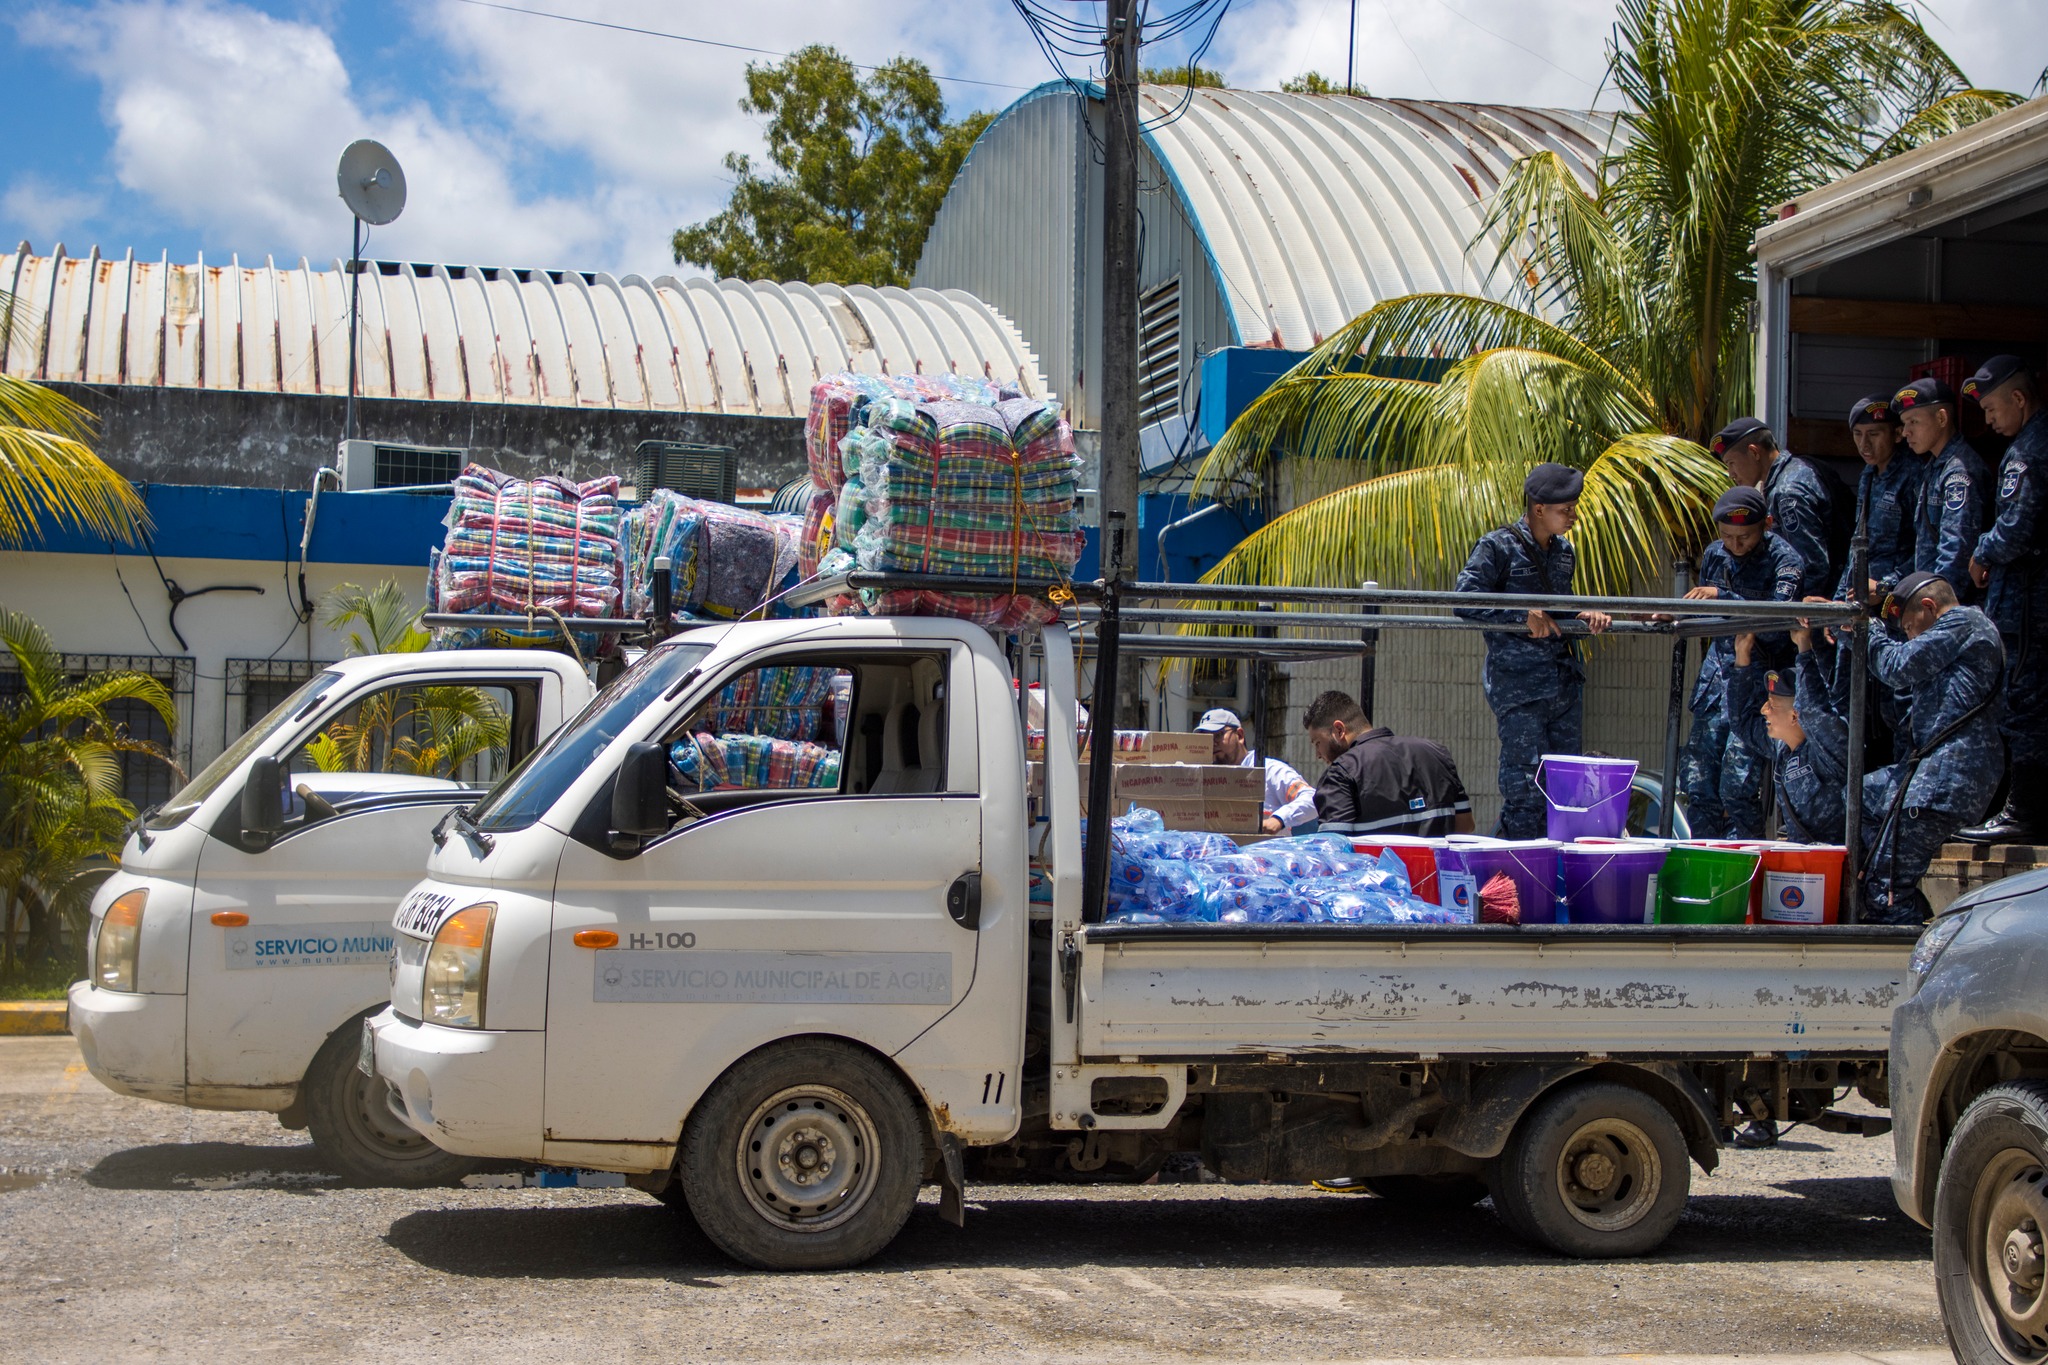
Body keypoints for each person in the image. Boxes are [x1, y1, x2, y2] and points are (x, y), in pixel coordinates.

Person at [1453, 462, 1613, 839]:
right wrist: (1520, 615)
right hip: (1520, 687)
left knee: (1566, 790)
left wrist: (1582, 614)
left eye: (1573, 508)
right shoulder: (1497, 546)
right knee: (1526, 791)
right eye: (1565, 510)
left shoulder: (1564, 552)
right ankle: (1519, 865)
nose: (1573, 517)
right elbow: (1463, 599)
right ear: (1539, 509)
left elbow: (1558, 607)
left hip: (1562, 686)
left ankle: (1557, 866)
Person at [1860, 571, 2005, 924]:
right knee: (1855, 797)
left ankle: (1921, 948)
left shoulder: (1963, 622)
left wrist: (1866, 628)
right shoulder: (1952, 634)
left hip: (1946, 779)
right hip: (1929, 775)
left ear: (1929, 606)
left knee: (1886, 891)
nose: (1910, 637)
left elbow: (1896, 667)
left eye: (1911, 628)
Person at [1680, 486, 1805, 839]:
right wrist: (1679, 614)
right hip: (1716, 682)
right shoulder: (1715, 554)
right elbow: (1705, 613)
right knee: (1698, 782)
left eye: (1744, 537)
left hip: (1756, 685)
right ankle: (1702, 856)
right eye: (1727, 536)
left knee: (1738, 787)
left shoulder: (1785, 561)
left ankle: (1746, 862)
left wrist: (1724, 596)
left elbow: (1777, 622)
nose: (1734, 545)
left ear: (1767, 524)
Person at [1958, 356, 2048, 844]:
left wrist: (1982, 551)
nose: (1989, 420)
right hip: (2029, 599)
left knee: (2026, 704)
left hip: (2029, 602)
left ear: (2018, 398)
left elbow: (2016, 529)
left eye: (1992, 408)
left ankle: (2024, 812)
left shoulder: (2028, 451)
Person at [1725, 624, 1849, 844]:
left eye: (1772, 705)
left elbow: (1811, 709)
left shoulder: (1829, 746)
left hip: (1834, 859)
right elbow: (1742, 723)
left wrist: (1804, 647)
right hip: (1801, 859)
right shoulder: (1783, 747)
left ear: (1795, 715)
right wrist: (1742, 658)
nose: (1764, 710)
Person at [1301, 690, 1474, 837]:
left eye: (1317, 743)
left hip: (1380, 868)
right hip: (1438, 867)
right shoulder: (1436, 753)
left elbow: (1334, 850)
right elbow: (1465, 826)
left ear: (1339, 730)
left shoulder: (1340, 773)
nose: (1318, 754)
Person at [1713, 416, 1839, 598]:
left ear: (1754, 452)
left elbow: (1811, 567)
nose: (1731, 474)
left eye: (1731, 463)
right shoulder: (1790, 473)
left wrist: (1794, 612)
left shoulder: (1788, 492)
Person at [1896, 376, 1991, 602]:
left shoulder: (1959, 472)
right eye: (1904, 423)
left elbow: (1956, 552)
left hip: (1950, 603)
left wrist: (1937, 606)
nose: (1906, 431)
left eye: (1913, 421)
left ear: (1941, 418)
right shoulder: (1935, 467)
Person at [1840, 394, 1925, 600]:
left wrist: (1885, 586)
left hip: (1900, 598)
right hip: (1864, 595)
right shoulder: (1869, 474)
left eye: (1873, 434)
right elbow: (1857, 546)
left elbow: (1925, 548)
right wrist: (1839, 600)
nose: (1864, 444)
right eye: (1857, 434)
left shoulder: (1915, 474)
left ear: (1897, 434)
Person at [1194, 707, 1318, 835]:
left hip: (1267, 847)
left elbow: (1312, 798)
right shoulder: (1205, 780)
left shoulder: (1269, 771)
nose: (1212, 743)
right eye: (1205, 739)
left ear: (1240, 735)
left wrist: (1279, 819)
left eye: (1218, 735)